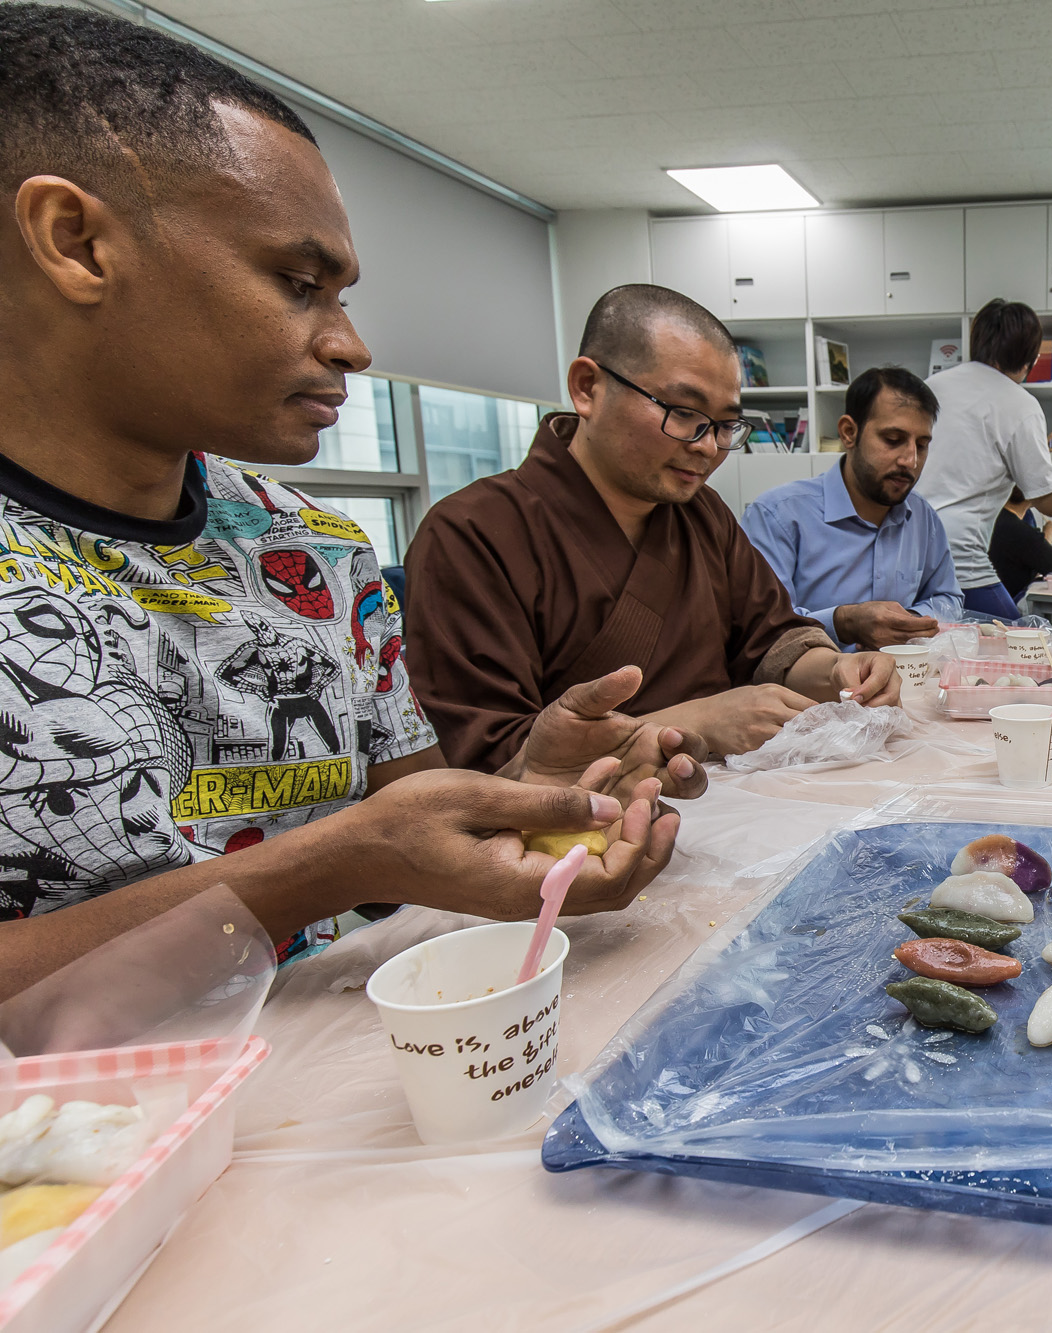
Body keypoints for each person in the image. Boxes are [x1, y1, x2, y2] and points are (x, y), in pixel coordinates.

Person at [0, 4, 688, 994]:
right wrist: (325, 867)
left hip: (329, 1053)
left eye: (343, 296)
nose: (351, 345)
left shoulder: (314, 551)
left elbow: (417, 831)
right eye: (297, 282)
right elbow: (362, 855)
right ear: (76, 242)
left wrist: (533, 797)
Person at [406, 286, 900, 762]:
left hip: (732, 792)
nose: (706, 446)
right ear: (587, 387)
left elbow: (771, 640)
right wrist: (693, 723)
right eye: (683, 413)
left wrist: (837, 669)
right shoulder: (471, 533)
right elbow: (486, 753)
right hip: (585, 813)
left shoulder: (703, 514)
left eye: (726, 425)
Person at [742, 367, 960, 651]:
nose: (911, 460)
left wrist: (908, 622)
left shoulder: (922, 517)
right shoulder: (777, 516)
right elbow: (762, 625)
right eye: (893, 440)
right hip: (813, 678)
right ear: (849, 433)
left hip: (906, 674)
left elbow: (949, 598)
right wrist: (842, 624)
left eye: (921, 445)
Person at [918, 299, 1052, 619]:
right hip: (958, 558)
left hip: (905, 549)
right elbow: (1049, 502)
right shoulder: (1020, 403)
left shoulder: (929, 387)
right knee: (1024, 637)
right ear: (1031, 357)